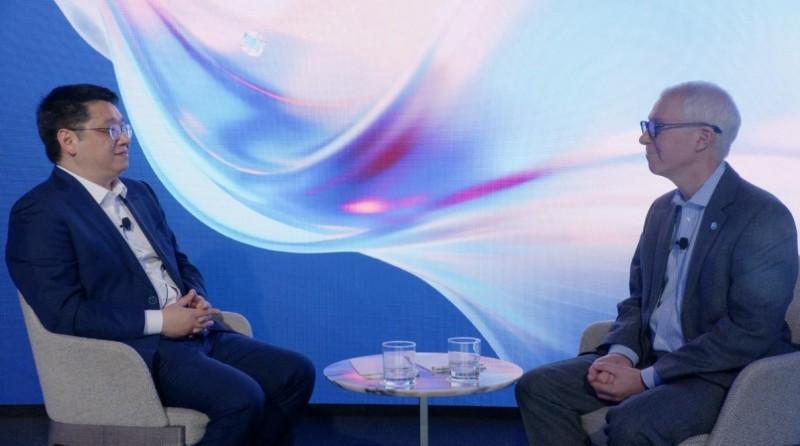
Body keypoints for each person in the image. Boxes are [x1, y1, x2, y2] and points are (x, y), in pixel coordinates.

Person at [6, 84, 315, 446]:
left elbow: (178, 261)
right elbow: (64, 312)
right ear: (68, 140)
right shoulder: (41, 212)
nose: (125, 139)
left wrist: (195, 297)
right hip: (136, 351)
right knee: (241, 398)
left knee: (295, 373)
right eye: (110, 130)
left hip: (196, 335)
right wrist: (162, 322)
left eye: (124, 128)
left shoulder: (139, 193)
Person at [515, 81, 798, 445]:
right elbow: (639, 301)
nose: (643, 138)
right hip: (651, 360)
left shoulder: (762, 216)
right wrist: (621, 356)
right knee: (540, 387)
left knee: (634, 422)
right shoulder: (662, 210)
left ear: (702, 138)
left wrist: (649, 378)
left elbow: (750, 331)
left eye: (656, 127)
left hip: (723, 374)